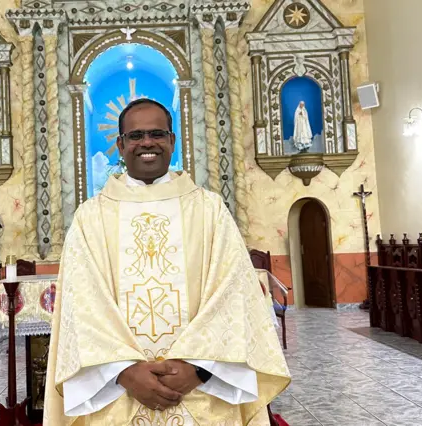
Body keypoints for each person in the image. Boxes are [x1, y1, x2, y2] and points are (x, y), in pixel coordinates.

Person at [43, 99, 290, 425]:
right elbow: (82, 305)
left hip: (201, 393)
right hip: (119, 396)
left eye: (157, 134)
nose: (147, 143)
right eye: (136, 136)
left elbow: (234, 295)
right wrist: (125, 372)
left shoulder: (210, 211)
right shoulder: (91, 217)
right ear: (120, 144)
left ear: (173, 141)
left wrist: (198, 368)